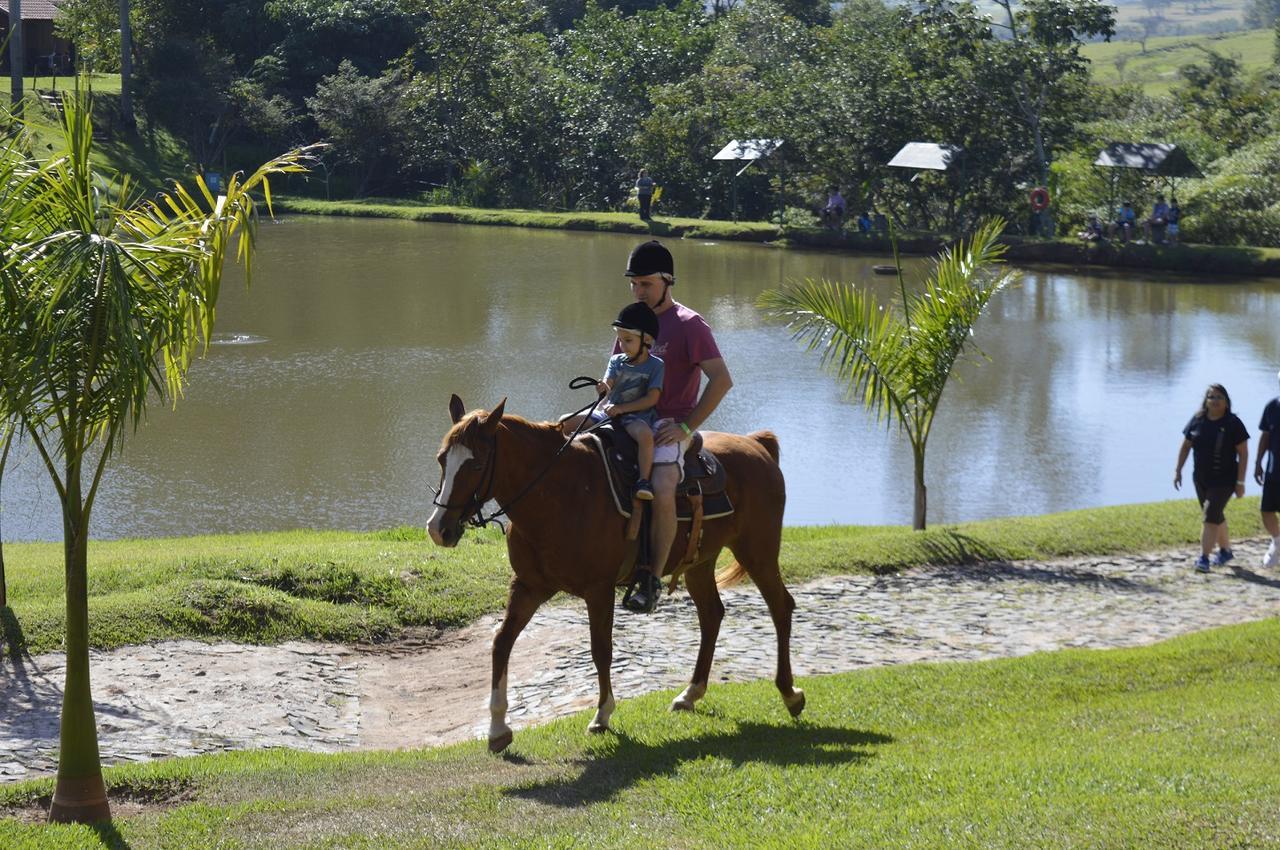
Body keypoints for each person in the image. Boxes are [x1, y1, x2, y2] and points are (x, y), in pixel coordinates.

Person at [618, 240, 732, 613]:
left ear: (668, 281)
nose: (639, 291)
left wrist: (686, 428)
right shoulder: (633, 319)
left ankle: (651, 581)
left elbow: (721, 381)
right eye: (634, 284)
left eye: (646, 284)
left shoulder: (690, 326)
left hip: (669, 425)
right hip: (628, 415)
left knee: (663, 486)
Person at [561, 302, 664, 500]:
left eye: (628, 340)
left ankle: (644, 480)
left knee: (644, 436)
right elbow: (608, 382)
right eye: (620, 340)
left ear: (647, 339)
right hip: (609, 411)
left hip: (636, 416)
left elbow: (652, 398)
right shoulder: (616, 360)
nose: (622, 345)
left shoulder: (656, 366)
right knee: (565, 421)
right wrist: (603, 387)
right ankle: (560, 463)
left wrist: (622, 409)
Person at [1174, 384, 1249, 572]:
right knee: (1214, 515)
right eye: (1211, 397)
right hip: (1200, 478)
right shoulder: (1197, 420)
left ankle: (1204, 559)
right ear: (1206, 401)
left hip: (1224, 480)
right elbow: (1185, 447)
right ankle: (1225, 551)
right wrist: (1178, 470)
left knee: (1209, 515)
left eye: (1219, 397)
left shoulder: (1233, 423)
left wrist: (1240, 482)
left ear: (1226, 401)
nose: (1215, 401)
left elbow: (1244, 453)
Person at [1254, 372, 1280, 569]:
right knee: (1266, 510)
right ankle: (1277, 543)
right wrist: (1258, 462)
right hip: (1274, 470)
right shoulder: (1272, 406)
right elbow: (1265, 436)